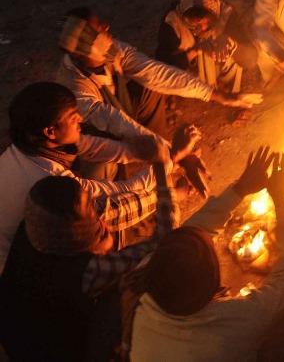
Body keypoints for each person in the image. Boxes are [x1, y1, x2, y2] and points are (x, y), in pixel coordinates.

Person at [130, 147, 284, 361]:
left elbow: (194, 229)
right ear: (214, 284)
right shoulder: (237, 322)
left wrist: (241, 188)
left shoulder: (148, 276)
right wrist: (280, 200)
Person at [0, 82, 196, 273]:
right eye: (71, 116)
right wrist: (170, 170)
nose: (79, 118)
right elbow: (124, 193)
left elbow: (100, 148)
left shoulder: (25, 146)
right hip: (25, 268)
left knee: (109, 166)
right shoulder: (53, 184)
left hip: (31, 242)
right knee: (104, 222)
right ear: (50, 131)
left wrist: (167, 153)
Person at [0, 155, 177, 362]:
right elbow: (166, 242)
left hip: (15, 336)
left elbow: (111, 211)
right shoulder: (84, 272)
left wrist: (164, 189)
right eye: (91, 212)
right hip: (55, 351)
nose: (96, 210)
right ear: (77, 233)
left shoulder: (38, 227)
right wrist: (163, 177)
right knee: (132, 288)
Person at [56, 7, 261, 179]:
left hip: (119, 114)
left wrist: (219, 95)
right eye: (98, 27)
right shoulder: (76, 87)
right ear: (87, 44)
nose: (106, 26)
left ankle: (162, 161)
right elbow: (114, 122)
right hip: (97, 136)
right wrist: (173, 151)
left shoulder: (113, 51)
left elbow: (158, 74)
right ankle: (148, 173)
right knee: (102, 169)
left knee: (149, 88)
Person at [155, 0, 258, 94]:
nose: (203, 28)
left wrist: (233, 45)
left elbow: (251, 59)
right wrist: (195, 50)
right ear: (185, 16)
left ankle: (229, 89)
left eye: (208, 23)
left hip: (220, 68)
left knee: (230, 48)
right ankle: (199, 89)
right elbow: (161, 65)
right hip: (190, 75)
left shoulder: (226, 15)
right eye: (195, 24)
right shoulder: (173, 22)